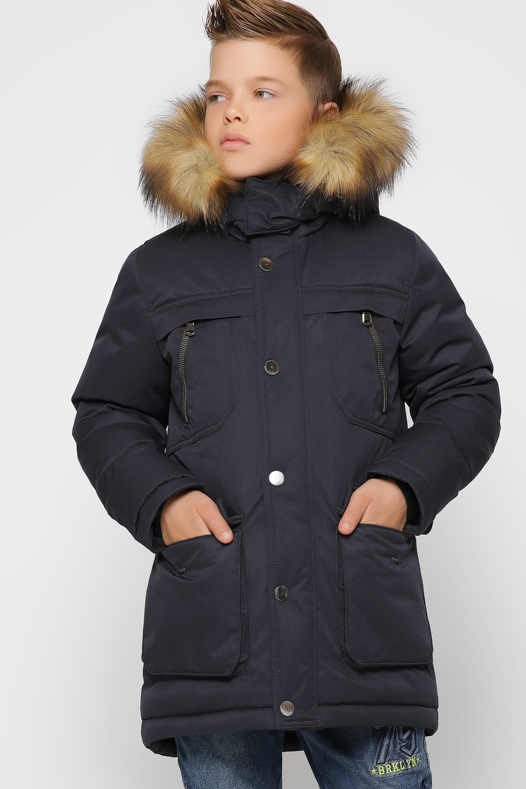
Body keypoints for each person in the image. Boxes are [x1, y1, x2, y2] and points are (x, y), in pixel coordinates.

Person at [70, 0, 501, 786]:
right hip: (215, 637)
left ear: (323, 116)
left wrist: (403, 485)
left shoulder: (394, 258)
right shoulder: (158, 271)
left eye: (263, 92)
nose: (232, 110)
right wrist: (164, 501)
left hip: (359, 628)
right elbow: (108, 413)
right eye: (218, 93)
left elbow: (466, 392)